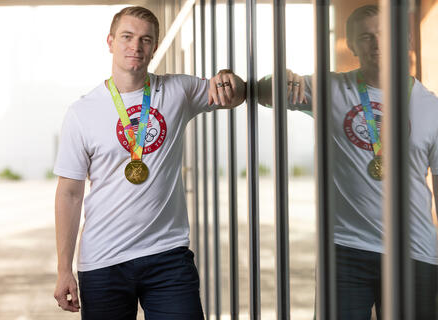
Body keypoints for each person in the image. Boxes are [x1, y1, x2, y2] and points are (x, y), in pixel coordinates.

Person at [52, 6, 245, 320]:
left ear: (154, 47)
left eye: (145, 40)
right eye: (127, 37)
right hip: (103, 261)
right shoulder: (81, 112)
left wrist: (228, 78)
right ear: (110, 42)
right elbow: (69, 194)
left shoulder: (177, 90)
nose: (136, 46)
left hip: (167, 257)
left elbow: (234, 94)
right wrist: (64, 270)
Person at [260, 4, 438, 319]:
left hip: (414, 251)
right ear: (352, 45)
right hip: (345, 252)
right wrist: (279, 77)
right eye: (366, 37)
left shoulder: (431, 108)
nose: (377, 44)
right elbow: (264, 92)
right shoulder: (329, 89)